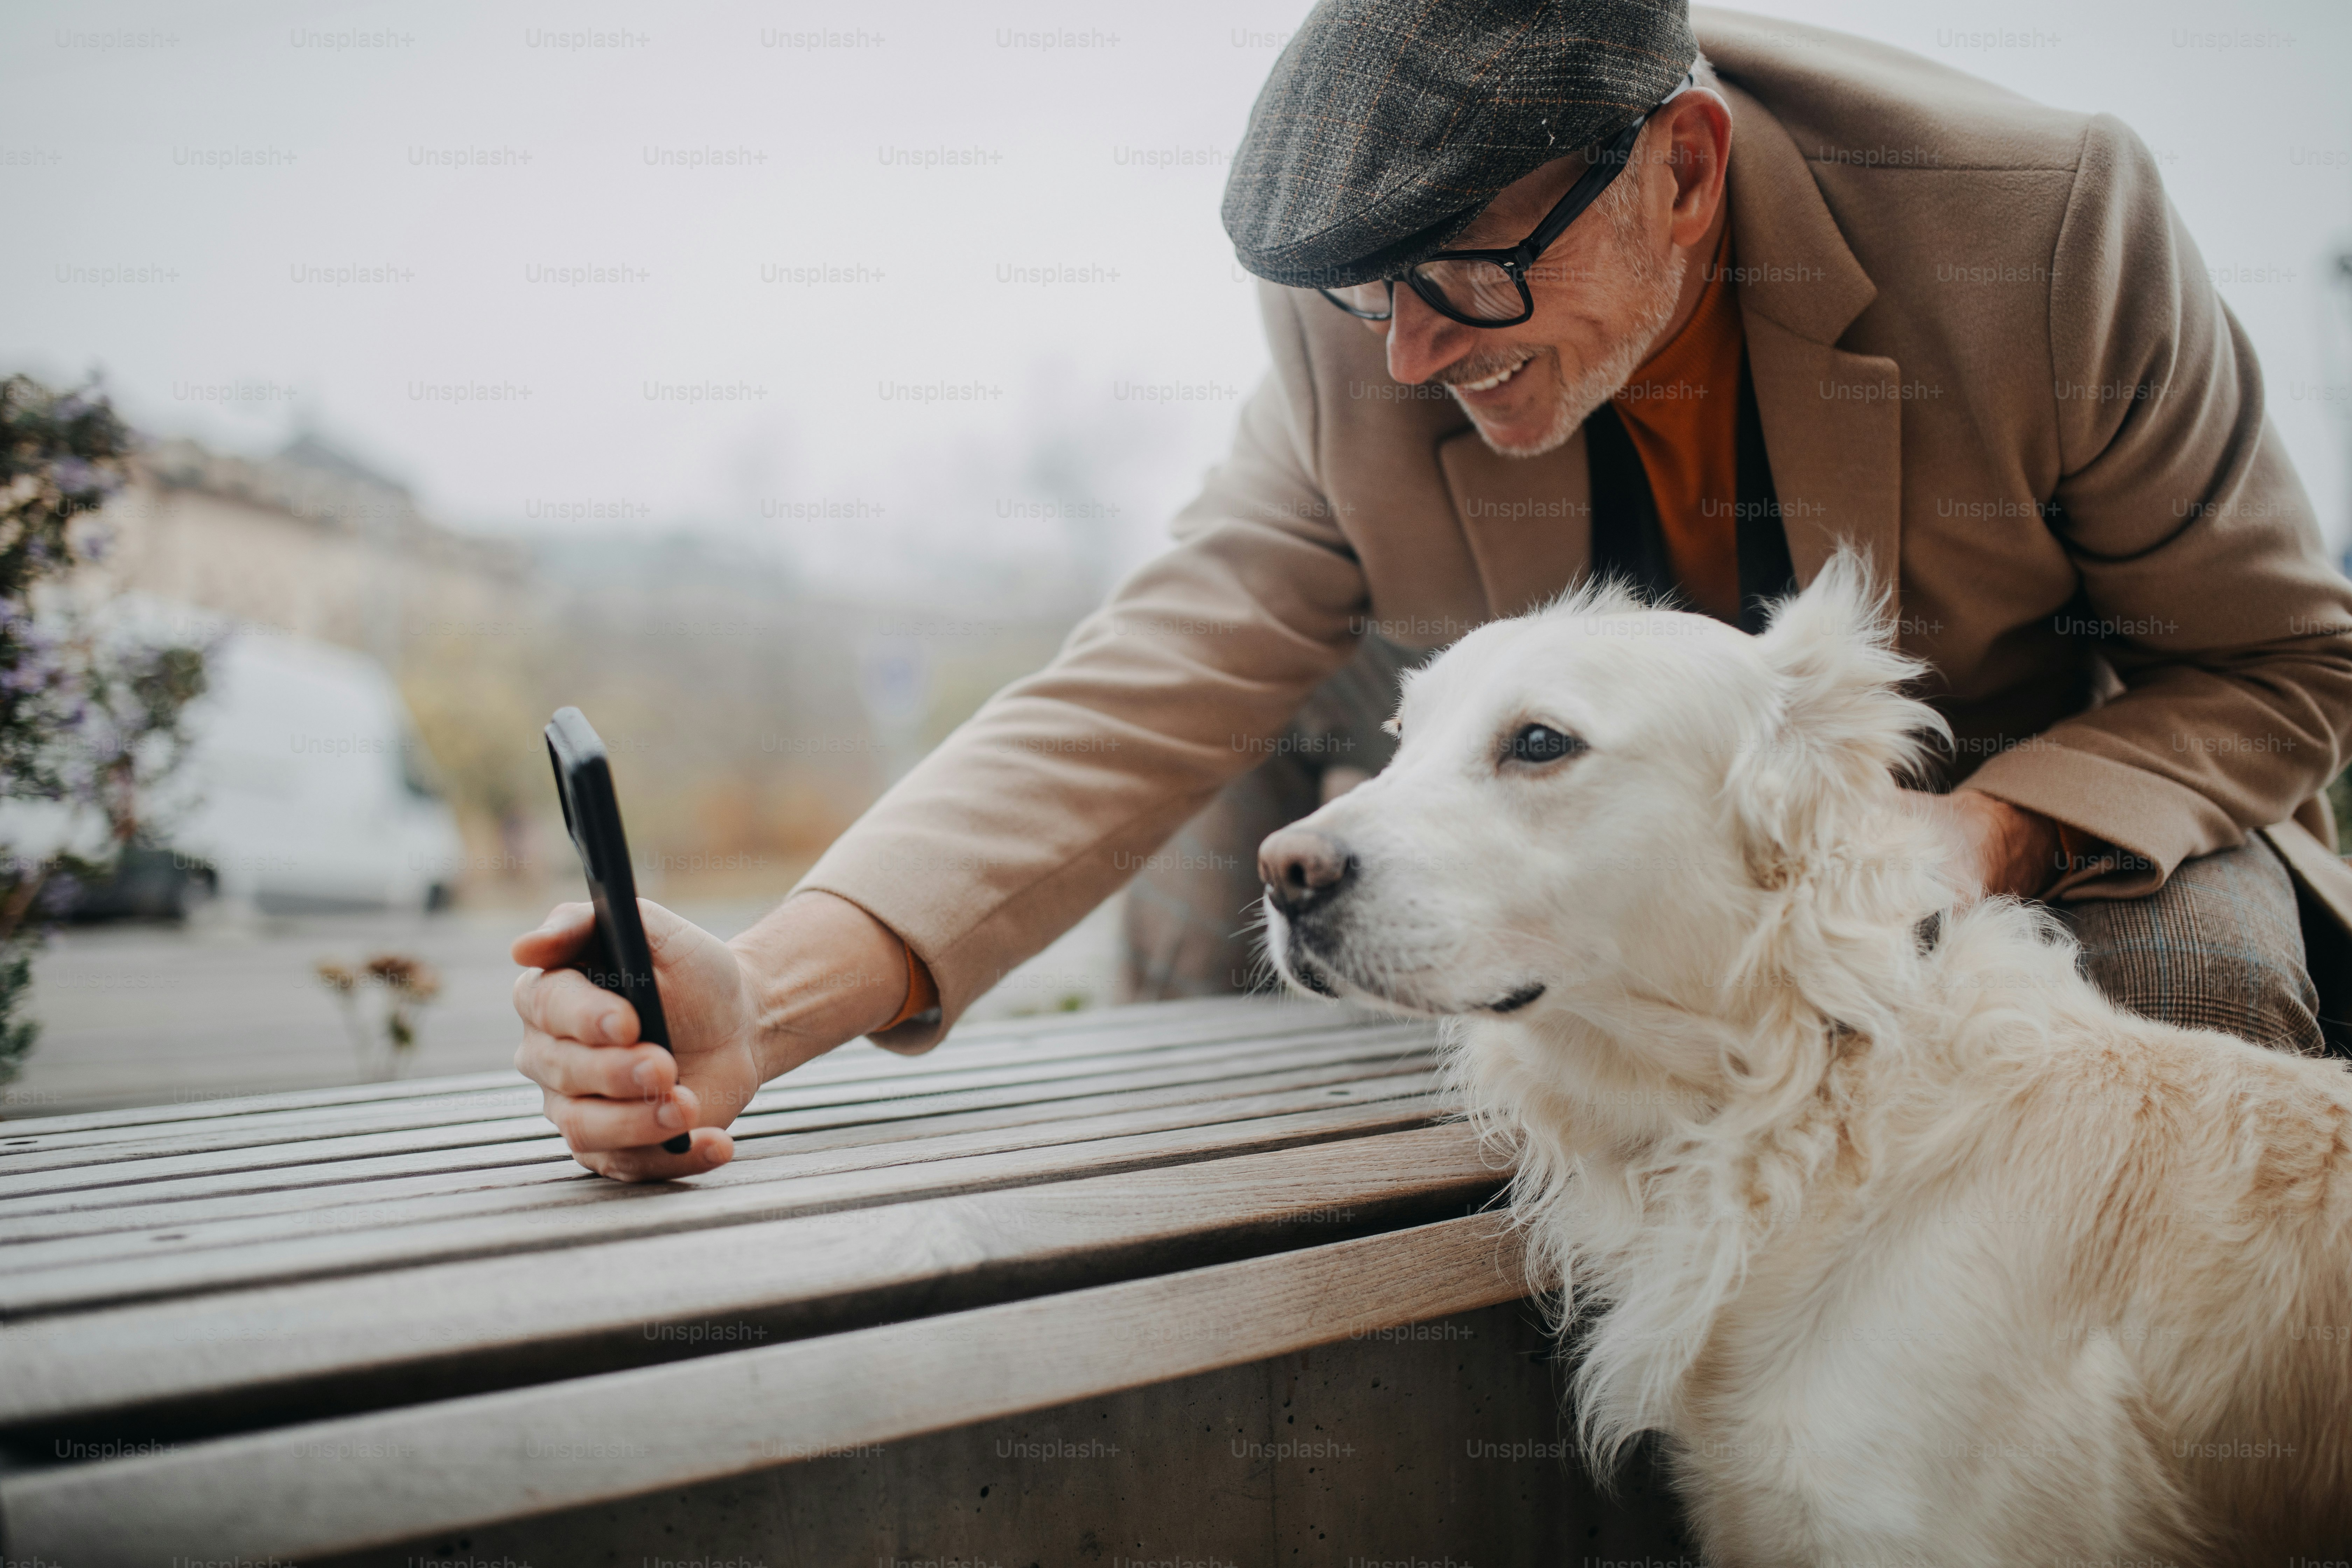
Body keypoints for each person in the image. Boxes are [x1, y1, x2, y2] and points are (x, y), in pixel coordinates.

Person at [513, 1, 2352, 1181]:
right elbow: (1154, 678)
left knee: (2199, 970)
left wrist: (1982, 842)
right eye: (1360, 300)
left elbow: (2276, 661)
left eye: (1459, 285)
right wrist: (770, 997)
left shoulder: (2043, 225)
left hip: (2008, 793)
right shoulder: (1369, 309)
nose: (1399, 364)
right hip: (1532, 813)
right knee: (1233, 812)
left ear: (1682, 172)